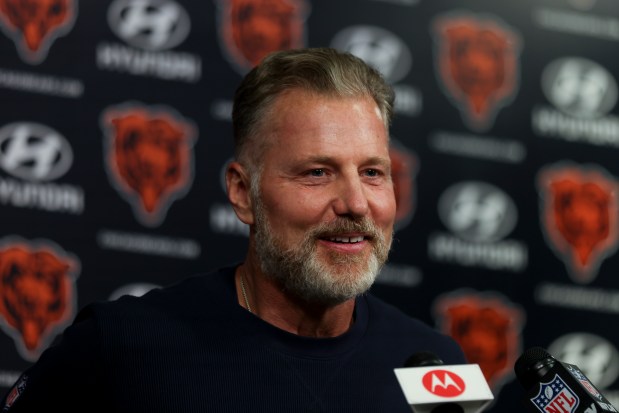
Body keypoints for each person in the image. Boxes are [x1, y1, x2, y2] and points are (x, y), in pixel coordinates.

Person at [1, 47, 465, 412]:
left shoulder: (439, 365)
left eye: (372, 172)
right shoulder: (123, 345)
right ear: (243, 193)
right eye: (317, 172)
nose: (356, 204)